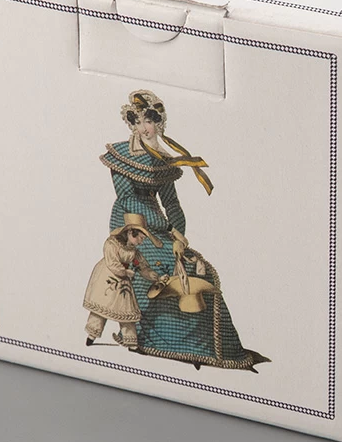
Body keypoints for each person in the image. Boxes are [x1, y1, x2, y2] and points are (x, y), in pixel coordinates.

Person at [99, 89, 269, 371]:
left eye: (149, 121)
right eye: (138, 122)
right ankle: (149, 339)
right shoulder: (121, 154)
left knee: (192, 266)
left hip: (157, 226)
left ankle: (202, 346)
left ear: (159, 123)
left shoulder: (164, 159)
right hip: (129, 227)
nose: (144, 128)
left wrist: (178, 235)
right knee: (155, 267)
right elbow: (128, 200)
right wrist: (161, 229)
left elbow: (172, 204)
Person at [83, 213, 162, 350]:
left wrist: (152, 275)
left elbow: (142, 266)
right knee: (101, 308)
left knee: (127, 311)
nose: (141, 242)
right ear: (131, 233)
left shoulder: (134, 252)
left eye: (143, 239)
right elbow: (112, 263)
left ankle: (132, 344)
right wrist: (125, 272)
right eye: (140, 238)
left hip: (123, 280)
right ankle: (91, 336)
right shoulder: (111, 243)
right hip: (106, 277)